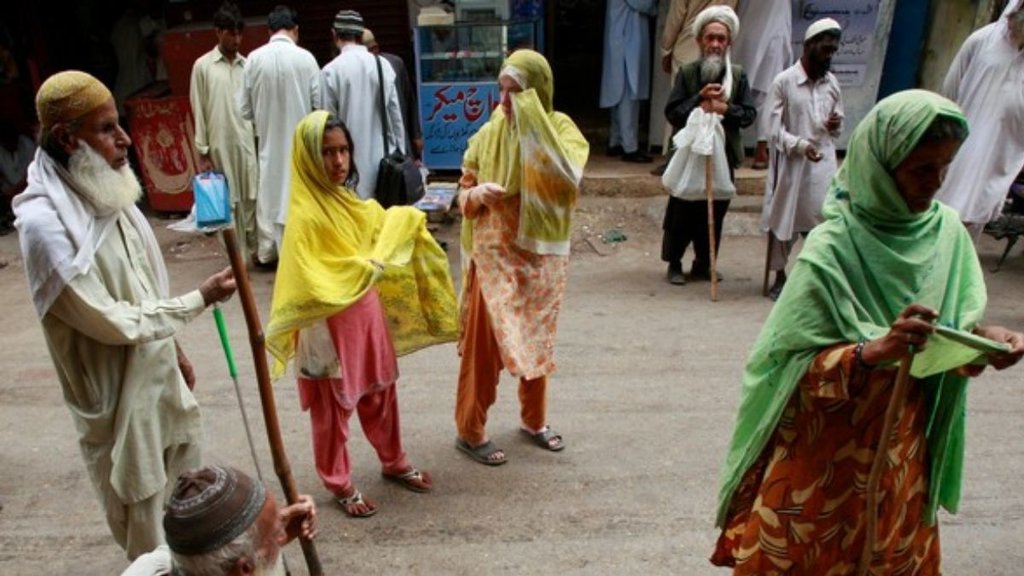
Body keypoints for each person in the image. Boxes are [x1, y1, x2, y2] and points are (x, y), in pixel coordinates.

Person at [711, 90, 1024, 573]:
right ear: (881, 164)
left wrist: (984, 341)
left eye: (944, 168)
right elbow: (784, 365)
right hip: (822, 461)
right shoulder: (832, 248)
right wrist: (871, 351)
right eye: (921, 170)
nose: (935, 184)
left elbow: (946, 335)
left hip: (900, 456)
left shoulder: (947, 234)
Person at [12, 70, 237, 560]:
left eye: (120, 125)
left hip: (162, 387)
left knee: (189, 518)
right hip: (118, 407)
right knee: (148, 542)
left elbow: (143, 287)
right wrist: (196, 299)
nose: (125, 140)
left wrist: (173, 348)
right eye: (107, 129)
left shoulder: (111, 192)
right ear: (67, 139)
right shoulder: (44, 227)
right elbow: (111, 319)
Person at [265, 110, 458, 517]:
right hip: (325, 330)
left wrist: (407, 218)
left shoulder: (347, 201)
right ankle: (339, 483)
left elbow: (377, 221)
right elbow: (310, 276)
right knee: (331, 411)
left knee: (381, 392)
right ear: (307, 158)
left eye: (344, 151)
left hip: (365, 317)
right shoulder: (304, 215)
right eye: (327, 153)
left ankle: (394, 460)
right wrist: (363, 265)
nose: (338, 162)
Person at [454, 50, 589, 465]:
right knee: (483, 346)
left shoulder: (560, 128)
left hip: (539, 257)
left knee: (534, 338)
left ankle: (534, 420)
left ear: (538, 93)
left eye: (517, 93)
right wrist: (474, 195)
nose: (506, 102)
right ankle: (470, 429)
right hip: (492, 254)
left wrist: (535, 132)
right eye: (502, 90)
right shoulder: (490, 131)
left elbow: (568, 176)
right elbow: (463, 188)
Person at [661, 6, 755, 285]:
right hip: (689, 156)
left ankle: (703, 263)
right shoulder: (688, 73)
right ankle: (675, 264)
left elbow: (749, 115)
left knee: (715, 212)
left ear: (729, 43)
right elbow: (673, 112)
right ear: (700, 40)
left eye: (721, 39)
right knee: (681, 211)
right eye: (710, 38)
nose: (715, 44)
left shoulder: (737, 76)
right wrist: (698, 102)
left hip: (723, 156)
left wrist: (725, 109)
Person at [760, 18, 843, 301]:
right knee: (783, 221)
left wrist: (834, 124)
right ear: (809, 46)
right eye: (825, 49)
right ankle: (779, 276)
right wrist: (798, 145)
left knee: (822, 222)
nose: (829, 55)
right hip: (792, 164)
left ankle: (813, 277)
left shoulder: (832, 83)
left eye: (833, 50)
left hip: (823, 163)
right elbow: (772, 130)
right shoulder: (784, 82)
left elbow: (838, 120)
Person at [237, 5, 321, 266]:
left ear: (269, 31)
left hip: (269, 145)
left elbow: (243, 109)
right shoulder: (306, 58)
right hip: (303, 145)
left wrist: (265, 117)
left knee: (272, 202)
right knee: (300, 199)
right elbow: (319, 107)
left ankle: (274, 255)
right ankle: (301, 256)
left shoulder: (253, 59)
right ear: (295, 30)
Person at [121, 465, 317, 576]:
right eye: (277, 533)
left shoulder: (169, 563)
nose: (284, 531)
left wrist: (273, 528)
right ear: (245, 569)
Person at [936, 0, 1024, 240]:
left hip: (997, 166)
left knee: (965, 240)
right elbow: (949, 94)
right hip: (956, 156)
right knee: (937, 225)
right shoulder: (982, 41)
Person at [190, 2, 259, 261]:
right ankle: (235, 259)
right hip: (219, 147)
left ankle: (253, 253)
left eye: (240, 34)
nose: (237, 40)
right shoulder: (203, 67)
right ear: (218, 32)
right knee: (227, 204)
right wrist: (202, 151)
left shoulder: (247, 65)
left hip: (246, 144)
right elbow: (199, 109)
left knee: (251, 198)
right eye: (231, 34)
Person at [320, 10, 405, 200]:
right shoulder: (383, 65)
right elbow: (395, 118)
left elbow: (327, 127)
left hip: (347, 168)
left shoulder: (330, 72)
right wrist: (401, 156)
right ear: (361, 35)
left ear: (334, 35)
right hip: (385, 168)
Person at [652, 0, 736, 175]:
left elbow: (675, 18)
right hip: (714, 53)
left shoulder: (737, 74)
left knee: (687, 111)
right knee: (687, 109)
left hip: (687, 47)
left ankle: (675, 162)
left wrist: (666, 50)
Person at [733, 0, 792, 170]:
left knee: (739, 90)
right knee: (766, 95)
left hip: (748, 33)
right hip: (771, 35)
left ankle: (751, 149)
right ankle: (759, 150)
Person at [599, 0, 657, 163]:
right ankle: (630, 147)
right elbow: (643, 4)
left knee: (618, 93)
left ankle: (615, 140)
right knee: (627, 93)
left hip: (622, 37)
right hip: (627, 40)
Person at [362, 28, 424, 163]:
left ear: (375, 48)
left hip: (400, 137)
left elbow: (409, 100)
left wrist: (416, 135)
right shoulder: (359, 71)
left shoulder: (395, 63)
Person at [0, 120, 34, 234]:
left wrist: (14, 191)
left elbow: (29, 174)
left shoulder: (27, 145)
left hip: (27, 189)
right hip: (8, 193)